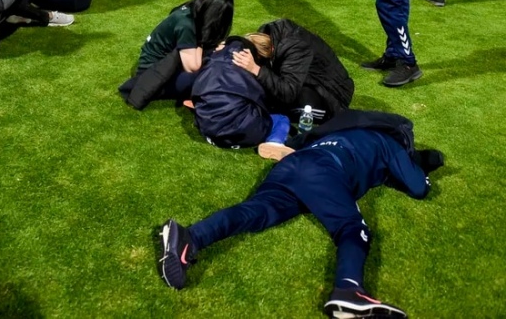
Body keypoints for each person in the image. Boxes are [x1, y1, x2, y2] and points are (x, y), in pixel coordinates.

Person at [158, 109, 446, 319]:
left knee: (255, 212)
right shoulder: (388, 143)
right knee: (351, 228)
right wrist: (420, 168)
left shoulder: (340, 130)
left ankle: (189, 237)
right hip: (325, 171)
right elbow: (418, 187)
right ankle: (349, 290)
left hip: (293, 165)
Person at [118, 0, 234, 109]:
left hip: (162, 65)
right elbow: (192, 67)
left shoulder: (189, 10)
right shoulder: (187, 25)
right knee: (209, 78)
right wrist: (204, 42)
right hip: (153, 73)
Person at [232, 19, 354, 124]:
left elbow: (287, 93)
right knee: (266, 93)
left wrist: (256, 69)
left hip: (334, 94)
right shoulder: (268, 37)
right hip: (308, 81)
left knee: (274, 106)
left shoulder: (296, 48)